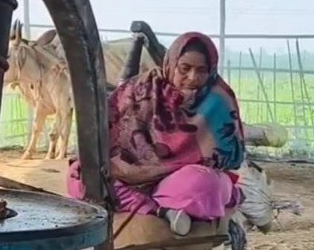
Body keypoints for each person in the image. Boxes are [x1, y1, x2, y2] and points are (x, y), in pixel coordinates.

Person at [67, 31, 247, 235]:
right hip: (128, 176)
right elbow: (107, 127)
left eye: (201, 71)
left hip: (177, 184)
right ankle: (159, 210)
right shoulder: (141, 87)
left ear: (211, 70)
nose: (192, 78)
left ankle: (148, 207)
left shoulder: (218, 100)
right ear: (171, 64)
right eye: (185, 69)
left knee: (207, 183)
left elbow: (231, 158)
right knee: (81, 173)